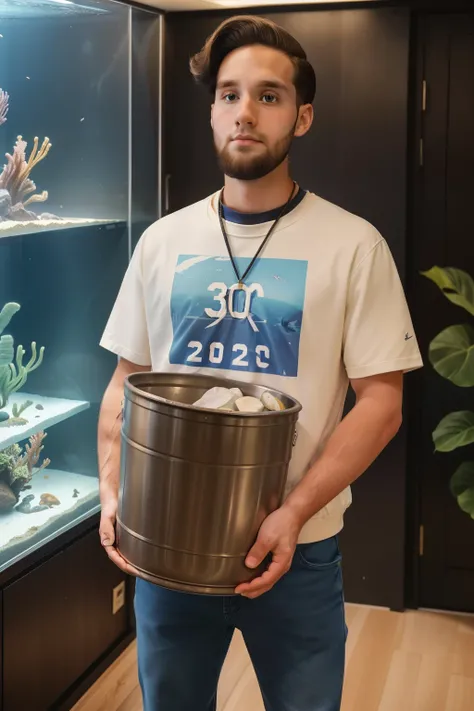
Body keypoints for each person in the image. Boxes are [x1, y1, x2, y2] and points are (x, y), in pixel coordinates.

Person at [97, 14, 423, 711]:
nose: (245, 112)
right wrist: (112, 492)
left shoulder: (352, 245)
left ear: (302, 117)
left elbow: (383, 401)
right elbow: (126, 380)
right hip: (169, 549)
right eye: (229, 94)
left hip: (296, 548)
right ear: (213, 110)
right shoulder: (162, 242)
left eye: (269, 96)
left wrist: (296, 512)